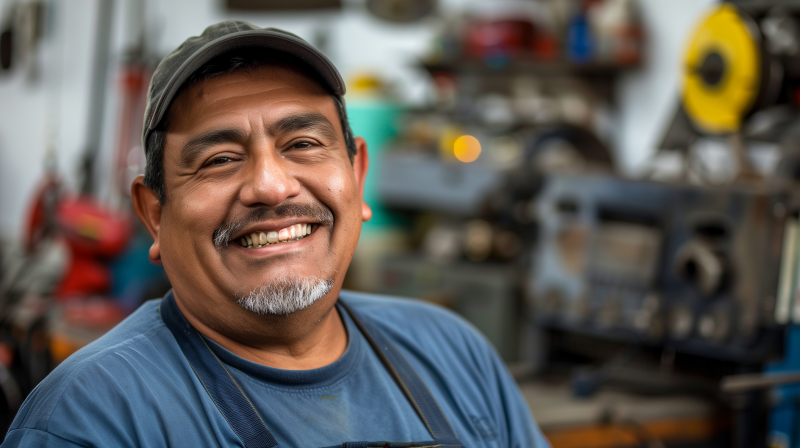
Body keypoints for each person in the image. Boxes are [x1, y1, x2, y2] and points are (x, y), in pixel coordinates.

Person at [3, 21, 550, 447]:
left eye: (304, 144)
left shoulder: (453, 354)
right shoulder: (90, 418)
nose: (270, 185)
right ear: (154, 214)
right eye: (219, 158)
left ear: (357, 178)